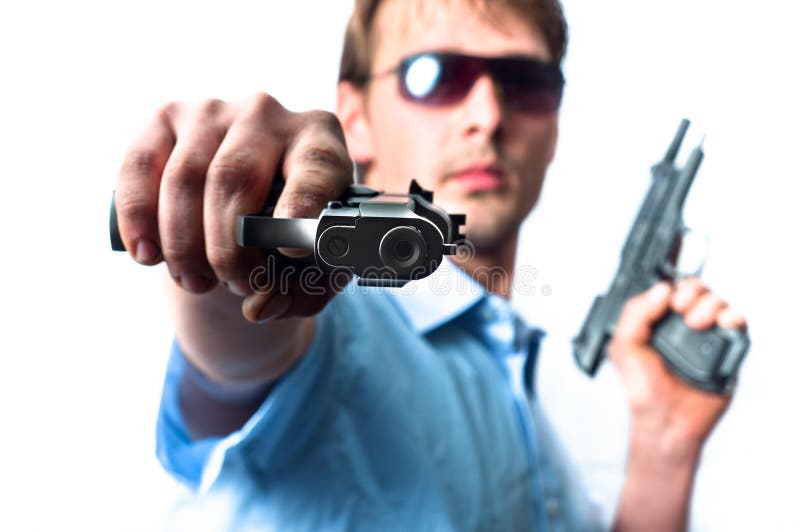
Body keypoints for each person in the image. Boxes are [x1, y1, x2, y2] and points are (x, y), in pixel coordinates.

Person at [112, 0, 747, 530]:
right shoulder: (332, 321)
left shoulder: (524, 400)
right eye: (434, 76)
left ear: (555, 126)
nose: (488, 117)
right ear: (353, 120)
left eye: (526, 84)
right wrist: (237, 228)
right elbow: (243, 342)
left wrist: (663, 450)